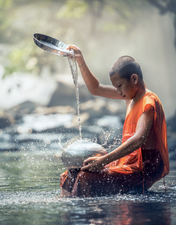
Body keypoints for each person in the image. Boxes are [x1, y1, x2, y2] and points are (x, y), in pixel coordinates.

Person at [60, 45, 170, 197]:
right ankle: (66, 211)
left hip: (143, 169)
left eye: (119, 86)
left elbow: (139, 139)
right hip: (127, 162)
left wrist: (103, 161)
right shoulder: (129, 95)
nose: (118, 92)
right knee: (71, 173)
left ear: (134, 79)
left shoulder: (148, 101)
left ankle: (91, 217)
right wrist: (80, 60)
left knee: (86, 177)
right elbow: (96, 89)